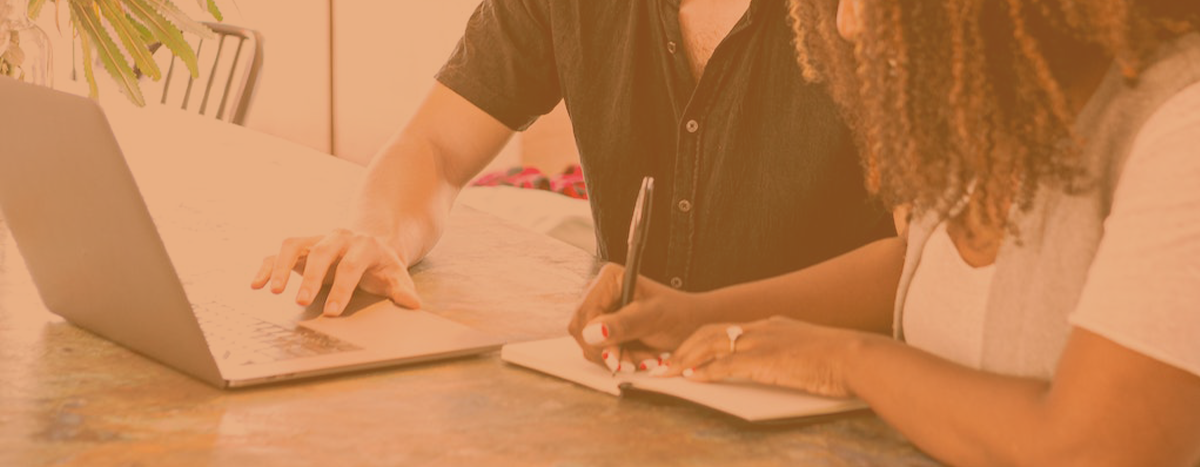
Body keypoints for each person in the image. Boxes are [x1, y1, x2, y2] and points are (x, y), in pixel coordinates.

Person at [573, 0, 1200, 464]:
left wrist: (845, 360)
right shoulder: (991, 101)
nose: (846, 23)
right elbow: (918, 268)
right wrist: (698, 316)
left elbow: (1093, 447)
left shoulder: (1180, 128)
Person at [251, 0, 893, 358]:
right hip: (633, 382)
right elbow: (435, 145)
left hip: (835, 404)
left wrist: (703, 318)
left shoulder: (886, 16)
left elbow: (926, 261)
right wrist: (378, 234)